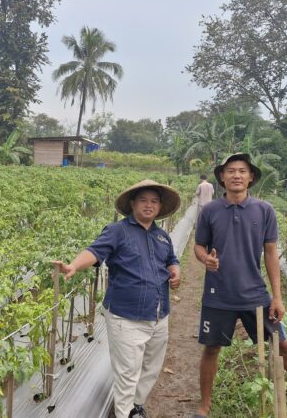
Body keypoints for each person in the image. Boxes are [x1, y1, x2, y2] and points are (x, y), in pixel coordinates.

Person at [192, 153, 287, 418]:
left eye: (242, 171)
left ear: (251, 177)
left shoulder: (264, 210)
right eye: (230, 171)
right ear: (221, 177)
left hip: (255, 294)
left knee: (283, 346)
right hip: (218, 294)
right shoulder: (210, 210)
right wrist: (205, 258)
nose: (236, 175)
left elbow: (270, 253)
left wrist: (277, 297)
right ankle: (204, 406)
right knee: (211, 348)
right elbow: (199, 246)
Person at [54, 179, 181, 418]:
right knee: (127, 373)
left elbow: (171, 259)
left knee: (151, 367)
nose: (149, 205)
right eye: (143, 200)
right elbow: (95, 251)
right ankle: (124, 412)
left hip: (159, 312)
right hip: (126, 316)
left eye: (154, 201)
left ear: (160, 206)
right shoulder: (117, 231)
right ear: (132, 203)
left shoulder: (162, 236)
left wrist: (176, 271)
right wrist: (74, 266)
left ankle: (136, 406)